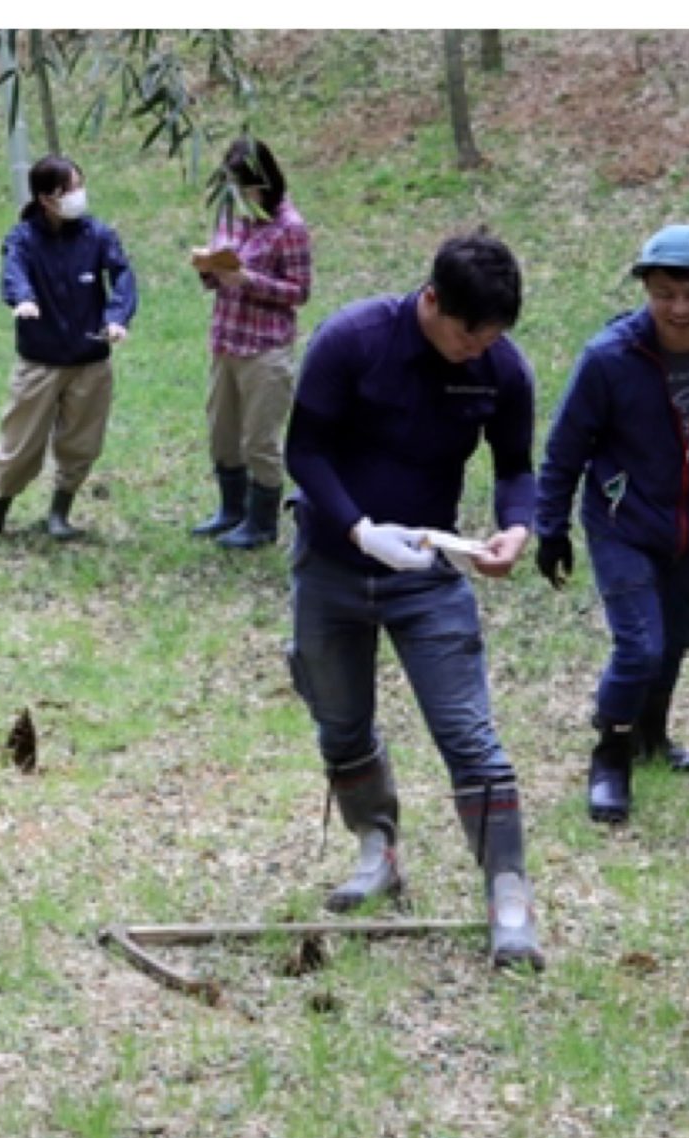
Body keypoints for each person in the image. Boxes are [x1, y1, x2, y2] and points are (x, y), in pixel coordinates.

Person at [283, 232, 542, 967]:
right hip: (333, 563)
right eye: (469, 332)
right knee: (341, 721)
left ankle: (509, 894)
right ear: (431, 301)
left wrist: (517, 529)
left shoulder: (500, 369)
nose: (478, 347)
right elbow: (304, 450)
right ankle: (377, 849)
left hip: (427, 575)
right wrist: (360, 531)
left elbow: (517, 467)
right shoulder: (353, 341)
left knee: (469, 737)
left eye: (493, 335)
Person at [535, 224, 689, 824]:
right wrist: (551, 527)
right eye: (664, 294)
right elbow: (565, 447)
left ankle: (653, 737)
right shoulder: (609, 358)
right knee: (639, 645)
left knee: (674, 640)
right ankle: (611, 754)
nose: (679, 308)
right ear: (645, 290)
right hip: (621, 520)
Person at [0, 156, 136, 546]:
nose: (77, 196)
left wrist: (118, 316)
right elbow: (14, 271)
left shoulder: (97, 235)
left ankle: (60, 514)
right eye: (68, 190)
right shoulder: (23, 238)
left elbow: (122, 274)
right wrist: (22, 299)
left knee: (81, 443)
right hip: (40, 363)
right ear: (46, 198)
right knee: (19, 445)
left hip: (90, 361)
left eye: (79, 186)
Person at [184, 136, 311, 551]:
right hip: (226, 339)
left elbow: (299, 291)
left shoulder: (289, 227)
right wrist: (208, 267)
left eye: (245, 187)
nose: (239, 196)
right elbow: (221, 267)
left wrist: (250, 281)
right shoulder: (231, 215)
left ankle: (262, 523)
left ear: (264, 183)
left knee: (259, 439)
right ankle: (231, 509)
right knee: (223, 433)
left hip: (265, 348)